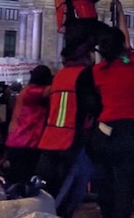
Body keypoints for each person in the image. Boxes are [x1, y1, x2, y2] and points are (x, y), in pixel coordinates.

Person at [36, 20, 102, 218]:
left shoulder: (61, 75)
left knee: (49, 193)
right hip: (72, 140)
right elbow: (92, 105)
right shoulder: (85, 75)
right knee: (70, 191)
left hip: (50, 139)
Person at [90, 3, 134, 218]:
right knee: (125, 182)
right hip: (130, 131)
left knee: (105, 180)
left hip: (104, 132)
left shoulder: (97, 71)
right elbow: (125, 40)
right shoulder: (133, 62)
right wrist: (122, 16)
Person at [5, 65, 52, 185]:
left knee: (18, 176)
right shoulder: (32, 91)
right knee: (22, 177)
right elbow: (54, 90)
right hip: (25, 141)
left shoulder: (26, 90)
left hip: (18, 140)